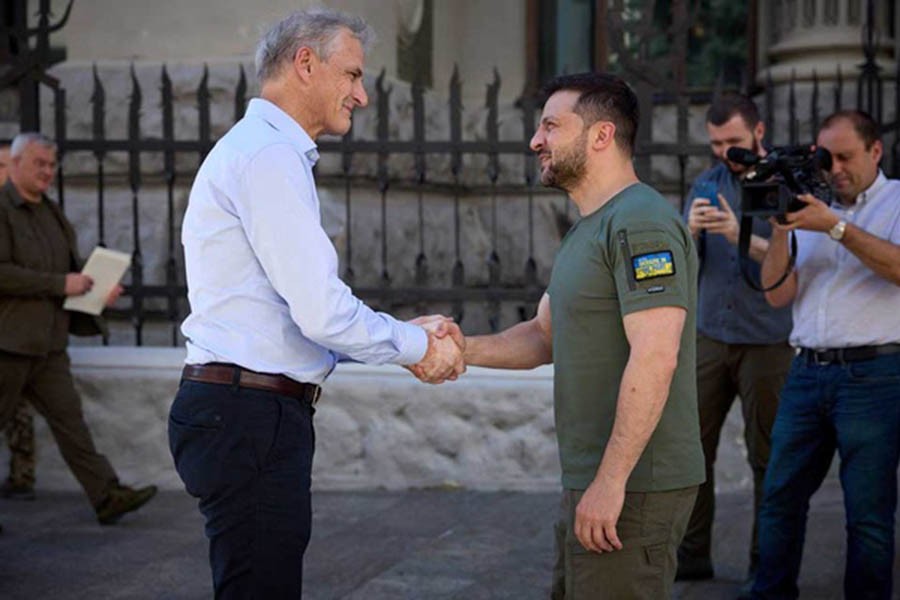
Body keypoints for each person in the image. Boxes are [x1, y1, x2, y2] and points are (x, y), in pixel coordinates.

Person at [169, 8, 464, 598]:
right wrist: (414, 348)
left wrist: (400, 333)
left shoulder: (267, 152)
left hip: (245, 410)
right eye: (352, 75)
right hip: (247, 415)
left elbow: (291, 321)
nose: (362, 94)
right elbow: (320, 312)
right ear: (305, 63)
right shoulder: (269, 157)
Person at [440, 71, 705, 599]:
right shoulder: (590, 227)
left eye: (551, 127)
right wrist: (456, 348)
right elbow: (544, 336)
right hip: (596, 478)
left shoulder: (641, 224)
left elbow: (656, 357)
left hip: (634, 485)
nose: (536, 140)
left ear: (601, 135)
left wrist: (611, 482)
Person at [754, 110, 900, 599]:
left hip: (874, 377)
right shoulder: (809, 207)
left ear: (875, 151)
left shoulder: (897, 201)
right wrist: (780, 225)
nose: (834, 168)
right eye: (826, 157)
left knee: (868, 515)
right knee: (779, 499)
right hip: (806, 372)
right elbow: (777, 294)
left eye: (845, 156)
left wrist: (835, 227)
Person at [0, 132, 158, 526]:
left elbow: (68, 271)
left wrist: (96, 288)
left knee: (72, 425)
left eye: (52, 165)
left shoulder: (51, 211)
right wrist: (60, 284)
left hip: (49, 345)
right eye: (39, 163)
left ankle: (107, 496)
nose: (47, 172)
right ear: (14, 163)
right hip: (9, 344)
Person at [677, 93, 794, 592]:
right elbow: (681, 259)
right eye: (717, 143)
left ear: (759, 134)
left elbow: (800, 259)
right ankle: (692, 555)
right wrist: (690, 232)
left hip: (767, 340)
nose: (725, 151)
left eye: (735, 142)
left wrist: (738, 235)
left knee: (766, 457)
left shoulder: (785, 181)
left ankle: (763, 567)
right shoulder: (706, 181)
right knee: (690, 450)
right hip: (710, 334)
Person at [0, 141, 40, 502]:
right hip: (10, 337)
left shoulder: (37, 210)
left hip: (25, 337)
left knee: (21, 419)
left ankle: (105, 492)